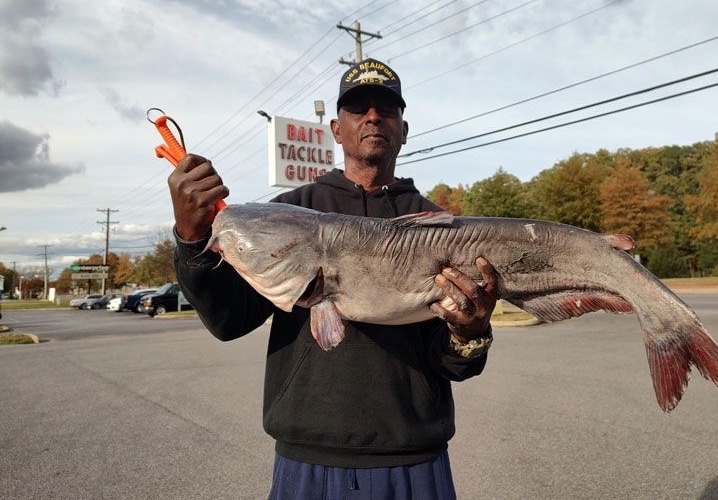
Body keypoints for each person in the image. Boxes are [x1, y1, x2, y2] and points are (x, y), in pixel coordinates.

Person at [168, 58, 497, 499]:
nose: (373, 117)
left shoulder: (437, 228)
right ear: (336, 129)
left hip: (415, 459)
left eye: (387, 109)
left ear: (403, 128)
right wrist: (190, 239)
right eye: (358, 107)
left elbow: (455, 364)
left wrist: (470, 332)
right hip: (308, 463)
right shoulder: (287, 213)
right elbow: (229, 320)